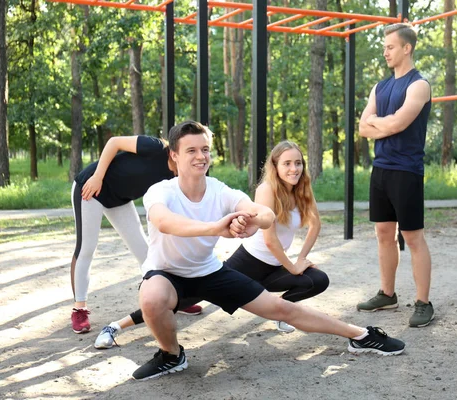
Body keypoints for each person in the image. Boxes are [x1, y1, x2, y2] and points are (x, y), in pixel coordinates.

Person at [130, 120, 405, 381]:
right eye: (191, 150)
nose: (200, 156)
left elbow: (265, 215)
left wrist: (250, 222)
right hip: (166, 275)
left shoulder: (220, 190)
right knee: (152, 297)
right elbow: (165, 222)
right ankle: (171, 354)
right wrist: (217, 227)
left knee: (280, 308)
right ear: (175, 155)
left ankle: (361, 335)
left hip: (209, 272)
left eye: (204, 150)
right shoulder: (160, 191)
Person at [94, 140, 329, 348]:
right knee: (182, 300)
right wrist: (292, 266)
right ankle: (116, 326)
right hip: (250, 263)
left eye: (298, 163)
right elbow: (269, 239)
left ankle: (283, 314)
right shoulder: (267, 189)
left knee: (317, 280)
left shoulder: (302, 190)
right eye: (287, 163)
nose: (294, 169)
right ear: (275, 166)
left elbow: (316, 224)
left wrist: (301, 259)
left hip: (276, 267)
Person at [70, 135, 202, 334]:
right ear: (176, 153)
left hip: (120, 199)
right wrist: (97, 176)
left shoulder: (177, 179)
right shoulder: (155, 147)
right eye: (190, 152)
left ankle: (173, 299)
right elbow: (114, 142)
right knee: (87, 248)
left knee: (145, 251)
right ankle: (79, 308)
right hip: (90, 188)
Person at [356, 23, 434, 328]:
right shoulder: (380, 86)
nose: (385, 52)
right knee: (383, 235)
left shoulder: (419, 85)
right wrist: (380, 123)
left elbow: (399, 124)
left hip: (407, 171)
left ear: (406, 48)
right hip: (382, 169)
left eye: (390, 47)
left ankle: (423, 303)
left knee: (413, 238)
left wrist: (380, 122)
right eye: (384, 47)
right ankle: (387, 294)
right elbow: (363, 128)